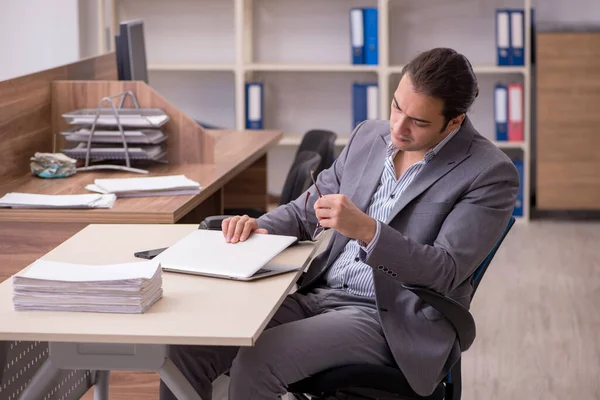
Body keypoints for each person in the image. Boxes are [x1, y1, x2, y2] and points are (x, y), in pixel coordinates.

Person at [161, 47, 519, 400]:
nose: (398, 127)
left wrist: (367, 230)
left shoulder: (489, 173)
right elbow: (305, 212)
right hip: (318, 292)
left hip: (390, 316)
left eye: (419, 122)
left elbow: (444, 271)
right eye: (396, 107)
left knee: (260, 358)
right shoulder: (369, 137)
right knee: (187, 347)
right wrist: (257, 226)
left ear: (454, 121)